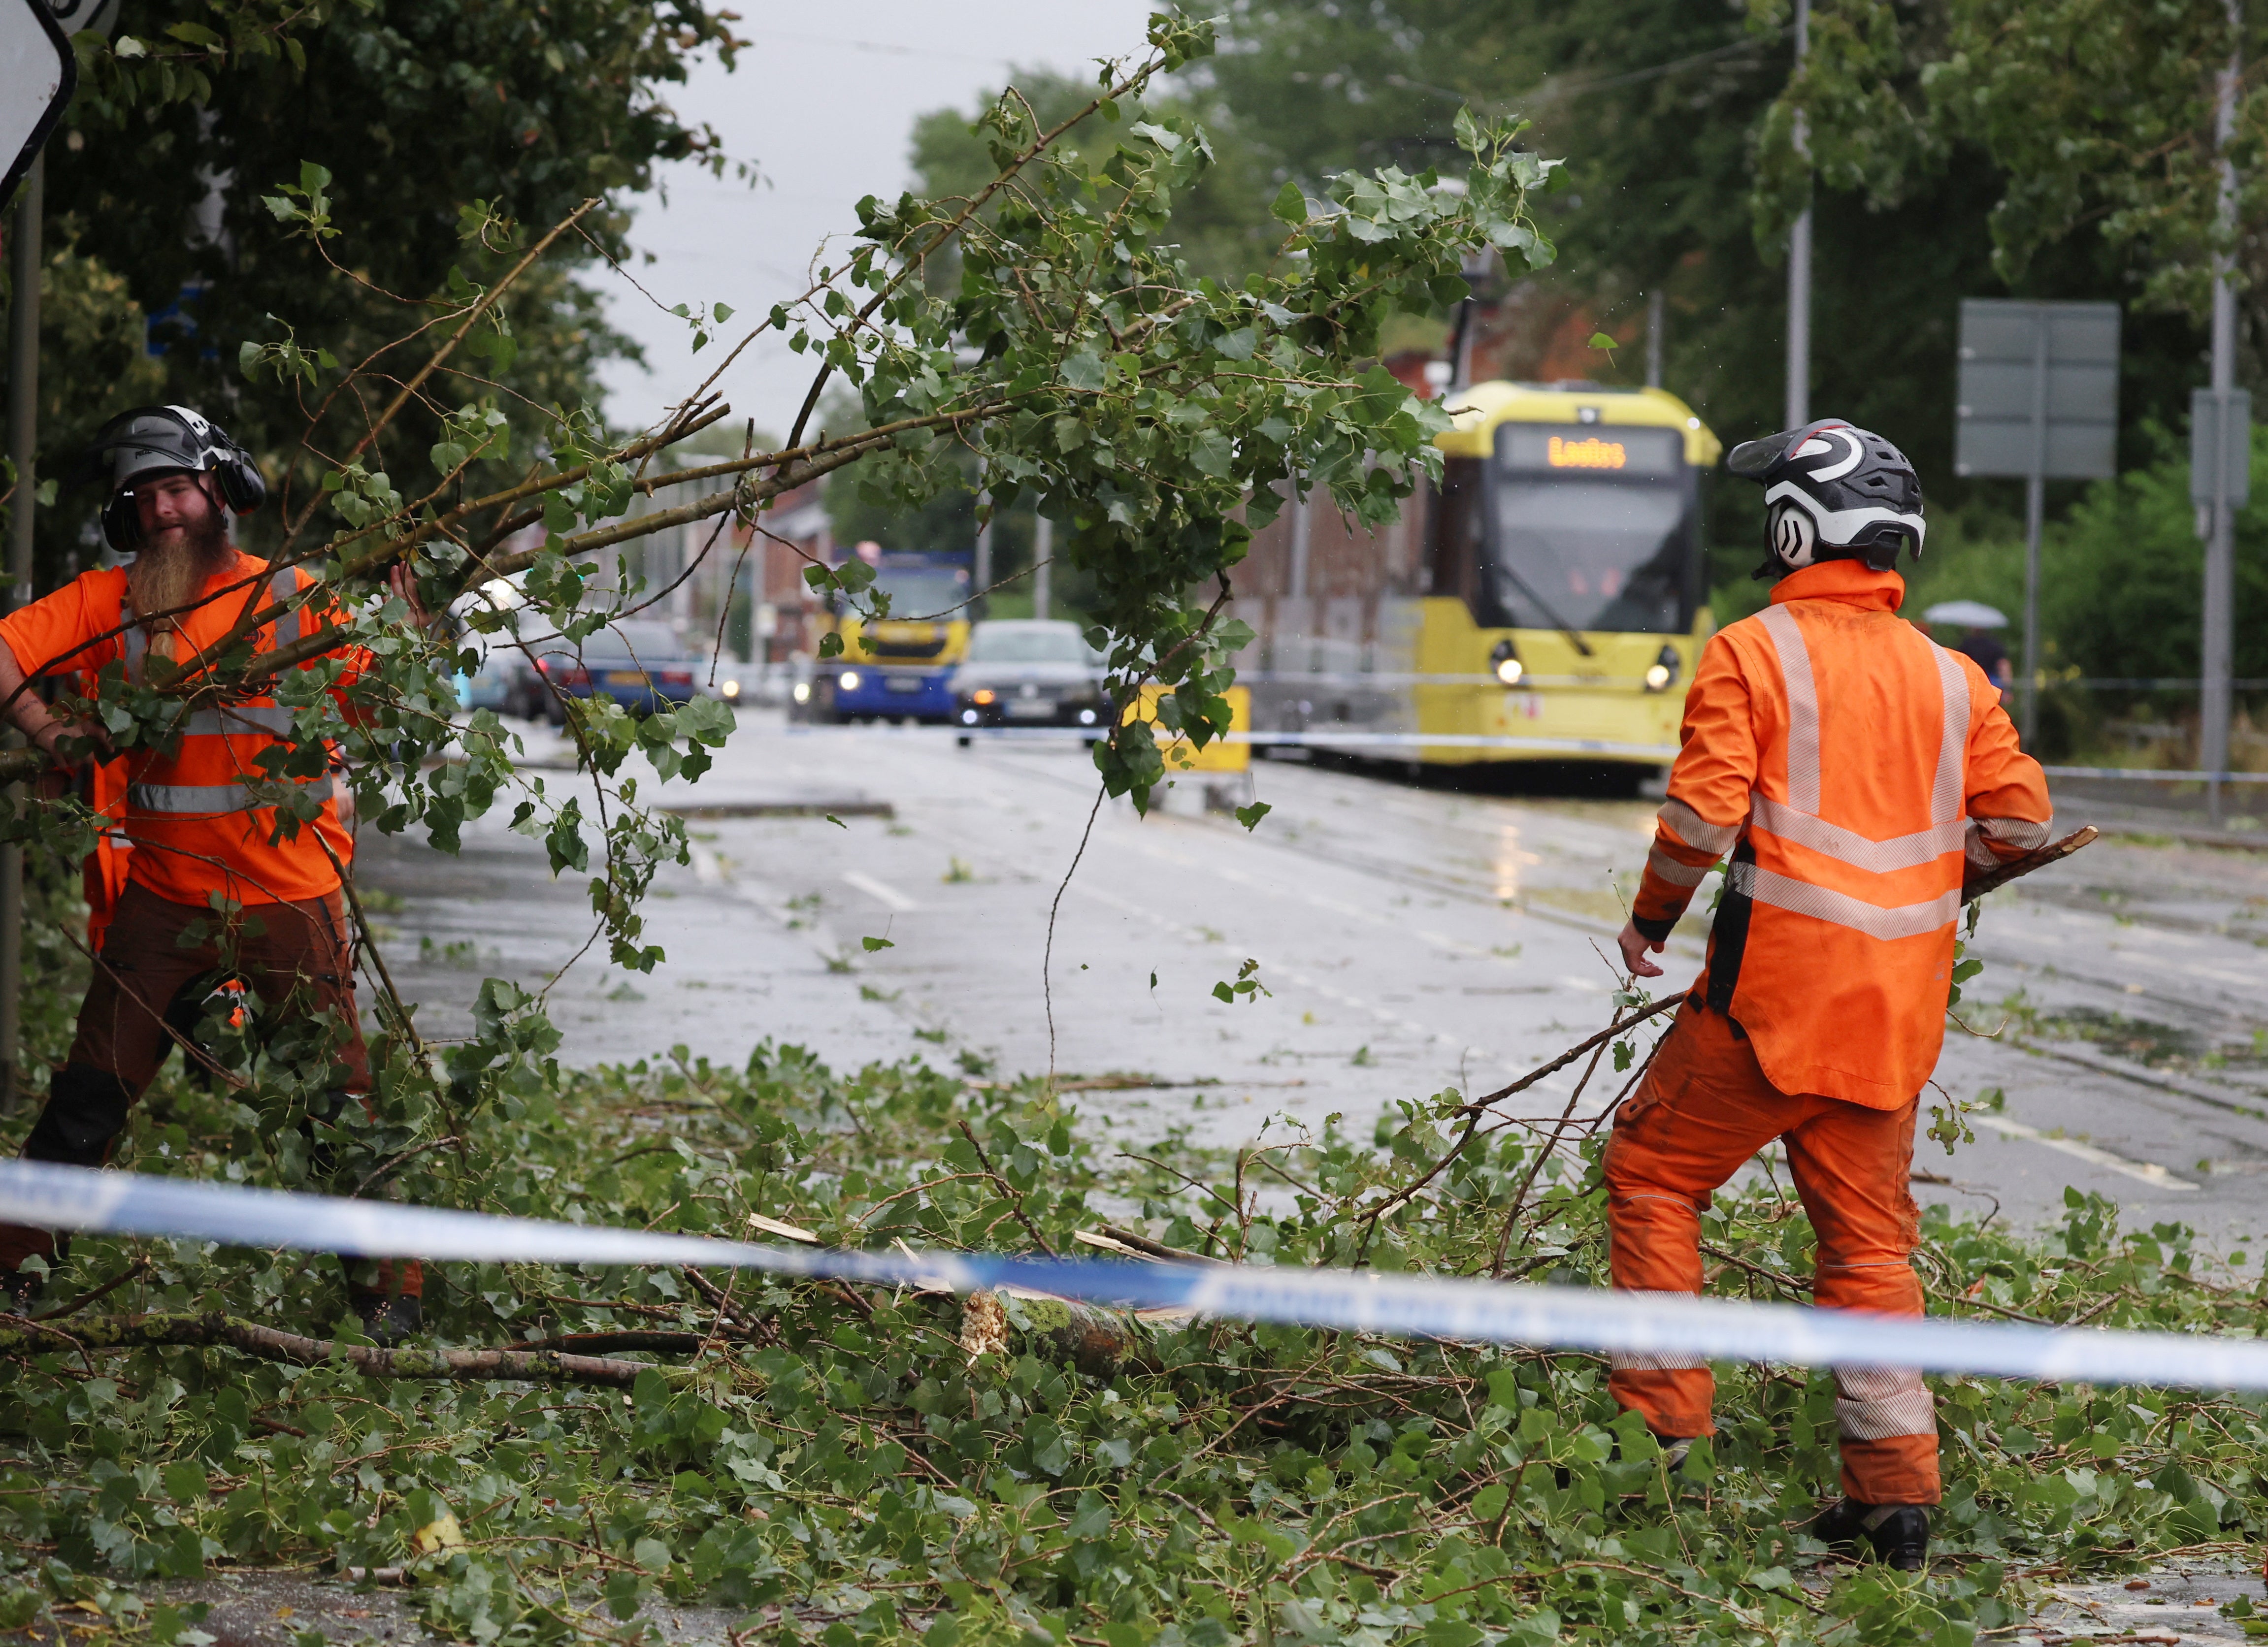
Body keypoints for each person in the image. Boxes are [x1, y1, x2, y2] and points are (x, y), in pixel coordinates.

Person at [1608, 420, 2051, 1570]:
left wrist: (1647, 921)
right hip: (1886, 1027)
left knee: (1652, 1175)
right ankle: (1892, 1500)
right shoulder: (1952, 678)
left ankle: (1661, 1449)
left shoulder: (1749, 650)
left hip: (1761, 1014)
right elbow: (2017, 824)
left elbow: (1700, 820)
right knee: (1864, 1248)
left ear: (1795, 525)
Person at [0, 405, 428, 1343]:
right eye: (146, 498)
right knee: (88, 1095)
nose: (164, 512)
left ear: (221, 491)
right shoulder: (106, 606)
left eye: (179, 489)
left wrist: (405, 627)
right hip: (165, 896)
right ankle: (15, 1274)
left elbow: (381, 704)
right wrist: (48, 731)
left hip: (292, 896)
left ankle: (389, 1296)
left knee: (338, 1101)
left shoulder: (293, 600)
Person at [1951, 624, 2013, 711]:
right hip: (1992, 684)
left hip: (1971, 683)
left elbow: (1957, 665)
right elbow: (2004, 667)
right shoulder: (1995, 645)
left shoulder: (1965, 645)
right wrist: (2007, 690)